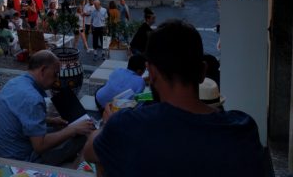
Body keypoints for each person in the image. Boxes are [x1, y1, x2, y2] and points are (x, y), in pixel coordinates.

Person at [83, 19, 266, 177]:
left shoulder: (126, 126)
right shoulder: (243, 129)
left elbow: (89, 152)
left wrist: (108, 124)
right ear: (203, 72)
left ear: (151, 73)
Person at [0, 51, 95, 165]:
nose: (57, 79)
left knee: (61, 129)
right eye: (55, 74)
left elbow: (20, 115)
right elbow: (39, 146)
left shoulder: (15, 82)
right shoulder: (33, 98)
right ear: (43, 70)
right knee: (83, 136)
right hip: (17, 161)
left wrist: (51, 121)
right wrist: (73, 129)